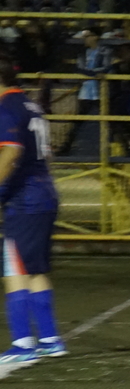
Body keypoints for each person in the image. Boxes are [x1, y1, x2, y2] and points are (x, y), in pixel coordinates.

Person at [0, 53, 65, 367]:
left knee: (13, 268)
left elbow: (11, 153)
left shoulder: (6, 107)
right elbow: (45, 155)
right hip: (44, 194)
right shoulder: (31, 105)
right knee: (35, 270)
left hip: (25, 199)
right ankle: (50, 339)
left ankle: (23, 342)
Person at [56, 27, 111, 156]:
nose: (85, 39)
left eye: (87, 36)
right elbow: (80, 69)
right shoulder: (82, 53)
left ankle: (112, 148)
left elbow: (106, 67)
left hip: (101, 92)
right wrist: (94, 74)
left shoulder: (106, 51)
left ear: (95, 37)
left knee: (108, 121)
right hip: (85, 92)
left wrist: (90, 73)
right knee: (78, 121)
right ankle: (66, 147)